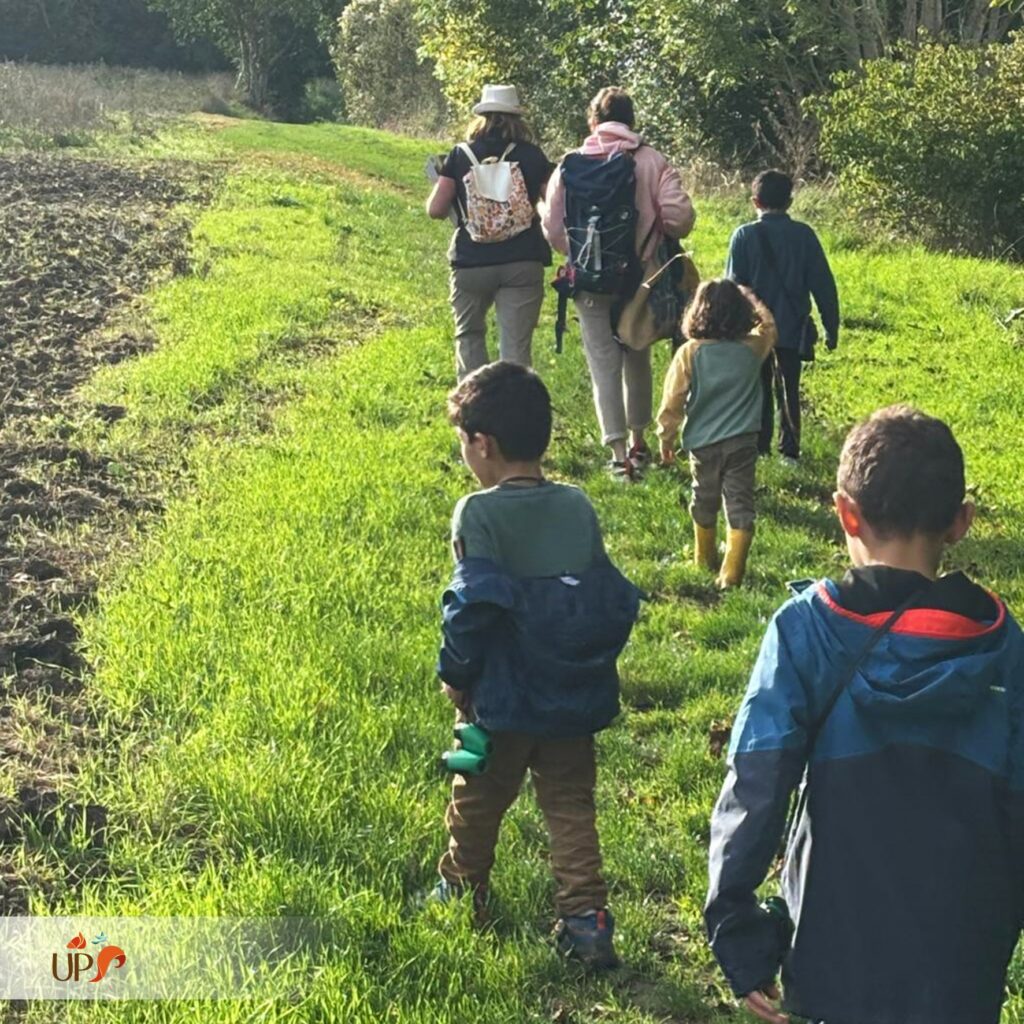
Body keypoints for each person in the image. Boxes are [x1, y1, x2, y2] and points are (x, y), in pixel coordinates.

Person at [704, 405, 1024, 1024]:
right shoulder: (1005, 645)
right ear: (961, 523)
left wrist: (737, 929)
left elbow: (757, 783)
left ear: (845, 512)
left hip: (831, 944)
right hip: (963, 955)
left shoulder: (804, 631)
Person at [431, 361, 641, 968]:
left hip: (495, 702)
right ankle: (586, 921)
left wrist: (456, 675)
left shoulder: (477, 514)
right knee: (571, 805)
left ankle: (461, 890)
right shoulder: (577, 506)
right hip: (573, 692)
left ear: (482, 444)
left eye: (462, 442)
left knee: (475, 795)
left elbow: (470, 609)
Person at [542, 87, 695, 481]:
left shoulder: (570, 164)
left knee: (602, 364)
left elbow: (552, 227)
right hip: (640, 277)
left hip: (589, 280)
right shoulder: (651, 161)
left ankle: (617, 455)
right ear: (632, 121)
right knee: (636, 352)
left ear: (591, 122)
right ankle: (640, 441)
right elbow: (681, 218)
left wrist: (575, 256)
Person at [655, 280, 777, 588]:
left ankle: (703, 557)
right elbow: (770, 327)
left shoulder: (690, 353)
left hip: (703, 443)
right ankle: (732, 572)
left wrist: (665, 437)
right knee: (740, 502)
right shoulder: (752, 348)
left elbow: (673, 399)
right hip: (743, 441)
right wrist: (752, 298)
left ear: (697, 313)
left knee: (704, 498)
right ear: (741, 312)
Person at [427, 85, 554, 380]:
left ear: (481, 117)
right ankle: (514, 413)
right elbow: (554, 203)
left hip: (471, 261)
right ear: (517, 118)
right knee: (516, 349)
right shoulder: (533, 155)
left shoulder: (460, 155)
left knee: (469, 336)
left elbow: (435, 209)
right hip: (523, 261)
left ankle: (474, 411)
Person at [725, 169, 839, 466]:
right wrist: (831, 327)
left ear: (755, 201)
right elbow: (823, 285)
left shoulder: (743, 236)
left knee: (756, 389)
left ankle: (759, 447)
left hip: (753, 330)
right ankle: (789, 451)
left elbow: (733, 288)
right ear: (790, 202)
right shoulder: (804, 236)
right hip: (792, 327)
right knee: (788, 388)